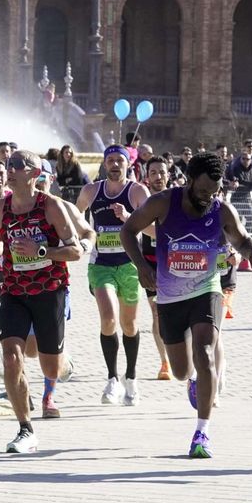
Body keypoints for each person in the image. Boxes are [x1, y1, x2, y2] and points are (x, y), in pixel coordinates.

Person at [122, 152, 252, 459]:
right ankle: (194, 379)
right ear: (189, 181)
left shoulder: (220, 209)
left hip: (206, 289)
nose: (207, 197)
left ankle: (202, 432)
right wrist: (141, 268)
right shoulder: (163, 202)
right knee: (180, 369)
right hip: (171, 296)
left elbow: (241, 239)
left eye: (213, 192)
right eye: (202, 191)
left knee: (205, 352)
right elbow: (128, 230)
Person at [0, 150, 83, 454]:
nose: (10, 170)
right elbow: (0, 238)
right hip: (13, 290)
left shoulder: (52, 207)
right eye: (8, 165)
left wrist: (40, 251)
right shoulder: (2, 206)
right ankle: (25, 428)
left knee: (50, 367)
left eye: (17, 166)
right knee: (11, 356)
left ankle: (63, 363)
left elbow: (75, 251)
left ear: (34, 174)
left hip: (49, 289)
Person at [75, 145, 149, 407]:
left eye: (120, 160)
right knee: (108, 319)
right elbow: (76, 218)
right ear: (105, 165)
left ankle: (131, 377)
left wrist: (129, 218)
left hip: (130, 265)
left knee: (129, 325)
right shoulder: (91, 191)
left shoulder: (138, 191)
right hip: (101, 264)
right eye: (111, 161)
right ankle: (112, 379)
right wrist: (85, 236)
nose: (115, 164)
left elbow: (153, 229)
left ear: (128, 164)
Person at [137, 155, 174, 380]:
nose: (158, 177)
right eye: (153, 173)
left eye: (162, 172)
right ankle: (165, 362)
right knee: (157, 313)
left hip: (176, 263)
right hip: (151, 262)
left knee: (178, 312)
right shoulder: (142, 202)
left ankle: (182, 353)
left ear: (168, 175)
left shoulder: (177, 200)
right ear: (146, 177)